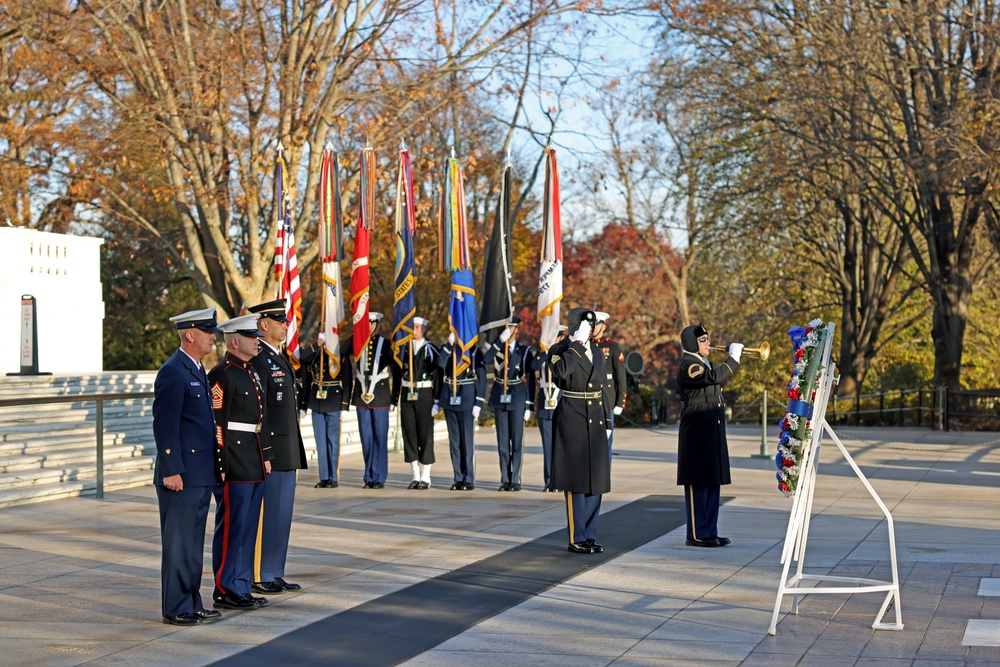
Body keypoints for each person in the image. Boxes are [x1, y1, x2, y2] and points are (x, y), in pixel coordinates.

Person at [152, 307, 225, 626]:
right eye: (208, 332)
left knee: (193, 545)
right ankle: (176, 607)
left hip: (199, 473)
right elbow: (164, 425)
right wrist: (170, 469)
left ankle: (192, 602)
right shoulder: (173, 370)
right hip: (180, 475)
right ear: (190, 335)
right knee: (179, 545)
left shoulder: (195, 368)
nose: (214, 337)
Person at [208, 314, 272, 610]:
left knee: (247, 528)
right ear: (235, 341)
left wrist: (266, 456)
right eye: (251, 336)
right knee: (233, 526)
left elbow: (259, 419)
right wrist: (221, 463)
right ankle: (225, 586)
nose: (257, 340)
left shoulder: (251, 371)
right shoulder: (222, 374)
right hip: (234, 459)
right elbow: (218, 423)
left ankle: (242, 585)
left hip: (253, 456)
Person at [246, 299, 307, 594]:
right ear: (263, 325)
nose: (285, 326)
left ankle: (275, 570)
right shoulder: (259, 359)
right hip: (271, 449)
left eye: (285, 322)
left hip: (287, 448)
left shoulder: (278, 357)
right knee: (266, 515)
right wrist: (265, 450)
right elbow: (262, 411)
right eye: (280, 322)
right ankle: (260, 572)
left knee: (282, 515)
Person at [548, 308, 611, 554]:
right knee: (576, 479)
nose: (592, 328)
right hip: (572, 416)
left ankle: (591, 534)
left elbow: (603, 387)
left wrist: (606, 420)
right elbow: (561, 373)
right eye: (587, 324)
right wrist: (576, 345)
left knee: (596, 478)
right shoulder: (559, 350)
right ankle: (577, 536)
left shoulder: (597, 351)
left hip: (595, 417)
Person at [676, 324, 742, 548]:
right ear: (693, 343)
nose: (708, 343)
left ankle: (709, 531)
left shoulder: (703, 362)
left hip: (710, 425)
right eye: (703, 340)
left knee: (713, 480)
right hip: (696, 428)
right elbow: (712, 378)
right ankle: (696, 533)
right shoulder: (689, 365)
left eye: (706, 339)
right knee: (698, 481)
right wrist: (732, 360)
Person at [483, 316, 536, 491]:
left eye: (511, 328)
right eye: (506, 328)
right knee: (503, 441)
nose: (509, 331)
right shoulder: (498, 348)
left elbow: (530, 377)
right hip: (500, 395)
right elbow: (486, 360)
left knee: (517, 441)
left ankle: (516, 479)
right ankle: (505, 478)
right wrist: (500, 340)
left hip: (517, 395)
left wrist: (529, 404)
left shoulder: (524, 350)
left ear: (516, 330)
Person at [342, 312, 394, 488]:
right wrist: (356, 334)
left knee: (380, 437)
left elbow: (396, 364)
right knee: (366, 438)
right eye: (367, 323)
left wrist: (395, 398)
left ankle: (379, 477)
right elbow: (342, 351)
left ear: (378, 324)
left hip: (379, 395)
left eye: (372, 323)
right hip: (361, 395)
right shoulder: (357, 342)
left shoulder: (386, 344)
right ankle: (369, 475)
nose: (370, 326)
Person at [391, 316, 440, 489]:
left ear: (424, 329)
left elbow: (438, 373)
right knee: (409, 434)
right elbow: (397, 373)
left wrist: (437, 400)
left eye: (418, 327)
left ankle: (426, 476)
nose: (415, 330)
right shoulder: (404, 348)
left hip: (425, 393)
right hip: (406, 393)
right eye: (413, 327)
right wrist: (394, 398)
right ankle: (415, 475)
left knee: (425, 436)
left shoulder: (431, 348)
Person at [435, 330, 486, 490]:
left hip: (467, 397)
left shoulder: (475, 351)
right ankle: (458, 477)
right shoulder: (449, 348)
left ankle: (468, 478)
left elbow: (482, 377)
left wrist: (479, 402)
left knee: (466, 441)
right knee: (454, 441)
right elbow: (440, 363)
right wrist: (449, 344)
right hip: (450, 396)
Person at [299, 334, 349, 488]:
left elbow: (347, 381)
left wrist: (345, 405)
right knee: (320, 442)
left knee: (332, 441)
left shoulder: (339, 354)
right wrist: (303, 404)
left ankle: (333, 477)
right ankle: (324, 477)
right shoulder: (314, 353)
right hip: (316, 401)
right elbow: (302, 359)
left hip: (333, 399)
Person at [532, 325, 566, 492]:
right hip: (545, 405)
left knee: (561, 447)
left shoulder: (565, 355)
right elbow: (533, 366)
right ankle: (549, 480)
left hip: (561, 403)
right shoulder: (543, 355)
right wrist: (545, 352)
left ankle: (560, 480)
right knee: (547, 446)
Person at [593, 311, 627, 462]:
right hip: (589, 399)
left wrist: (620, 402)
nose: (594, 327)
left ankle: (604, 478)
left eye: (597, 324)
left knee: (606, 443)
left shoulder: (611, 347)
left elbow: (620, 376)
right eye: (592, 324)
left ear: (604, 326)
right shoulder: (583, 345)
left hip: (607, 400)